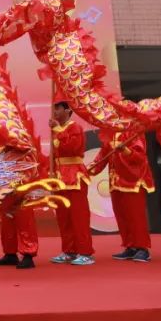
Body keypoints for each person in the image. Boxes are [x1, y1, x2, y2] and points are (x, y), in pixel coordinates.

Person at [89, 130, 153, 262]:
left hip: (132, 180)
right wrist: (88, 170)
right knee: (122, 216)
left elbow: (140, 158)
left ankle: (142, 248)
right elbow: (102, 157)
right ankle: (130, 246)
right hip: (115, 182)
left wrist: (125, 150)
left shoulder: (134, 132)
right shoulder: (110, 134)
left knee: (136, 217)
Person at [50, 102, 94, 266]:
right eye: (54, 108)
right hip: (60, 177)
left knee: (79, 216)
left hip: (75, 175)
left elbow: (72, 148)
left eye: (58, 108)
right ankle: (69, 250)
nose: (54, 111)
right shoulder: (56, 130)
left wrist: (57, 131)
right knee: (64, 217)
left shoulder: (75, 127)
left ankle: (85, 252)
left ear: (68, 110)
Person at [0, 136, 39, 269]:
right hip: (2, 185)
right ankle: (10, 253)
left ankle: (28, 254)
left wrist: (19, 184)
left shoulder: (19, 135)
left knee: (24, 220)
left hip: (20, 184)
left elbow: (29, 160)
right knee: (7, 222)